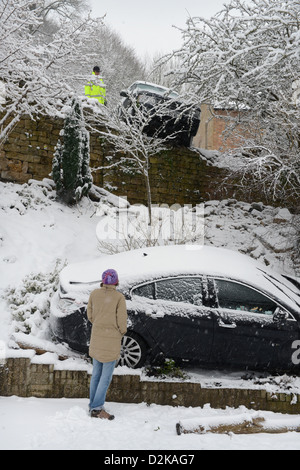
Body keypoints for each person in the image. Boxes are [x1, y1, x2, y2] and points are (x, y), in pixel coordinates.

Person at [87, 269, 127, 420]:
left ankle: (93, 405)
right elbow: (122, 321)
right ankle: (97, 409)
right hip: (111, 340)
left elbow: (90, 315)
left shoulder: (94, 294)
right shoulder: (119, 298)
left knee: (96, 374)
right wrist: (120, 332)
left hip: (96, 338)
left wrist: (99, 324)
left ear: (103, 281)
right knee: (105, 377)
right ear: (116, 282)